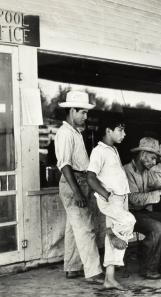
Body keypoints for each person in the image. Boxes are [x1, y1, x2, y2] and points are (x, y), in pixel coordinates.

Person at [54, 90, 103, 283]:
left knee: (73, 227)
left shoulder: (75, 132)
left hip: (80, 179)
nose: (85, 116)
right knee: (85, 228)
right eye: (82, 112)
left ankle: (72, 267)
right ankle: (94, 272)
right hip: (73, 181)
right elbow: (64, 164)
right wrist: (78, 192)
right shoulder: (65, 133)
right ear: (72, 110)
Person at [87, 113, 136, 290]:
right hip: (111, 199)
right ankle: (113, 234)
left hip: (121, 197)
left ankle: (109, 278)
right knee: (129, 220)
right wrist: (106, 195)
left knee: (115, 234)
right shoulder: (98, 151)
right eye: (120, 130)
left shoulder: (113, 150)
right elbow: (90, 178)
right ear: (108, 130)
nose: (124, 134)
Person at [124, 138, 161, 279]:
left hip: (142, 212)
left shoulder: (145, 171)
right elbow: (133, 199)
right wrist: (160, 192)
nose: (155, 162)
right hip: (128, 214)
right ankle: (148, 268)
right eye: (152, 158)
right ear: (143, 154)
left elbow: (152, 187)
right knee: (156, 227)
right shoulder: (127, 171)